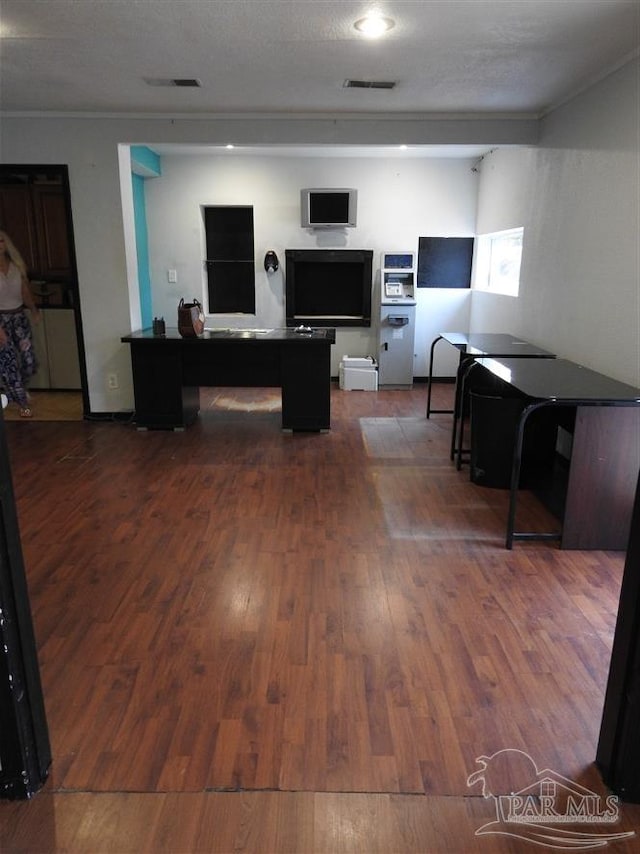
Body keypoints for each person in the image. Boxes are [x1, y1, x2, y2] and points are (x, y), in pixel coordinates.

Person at [0, 230, 41, 417]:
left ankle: (17, 390)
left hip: (19, 318)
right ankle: (22, 403)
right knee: (9, 363)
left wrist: (33, 310)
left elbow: (25, 292)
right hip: (1, 320)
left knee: (28, 360)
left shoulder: (17, 266)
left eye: (1, 241)